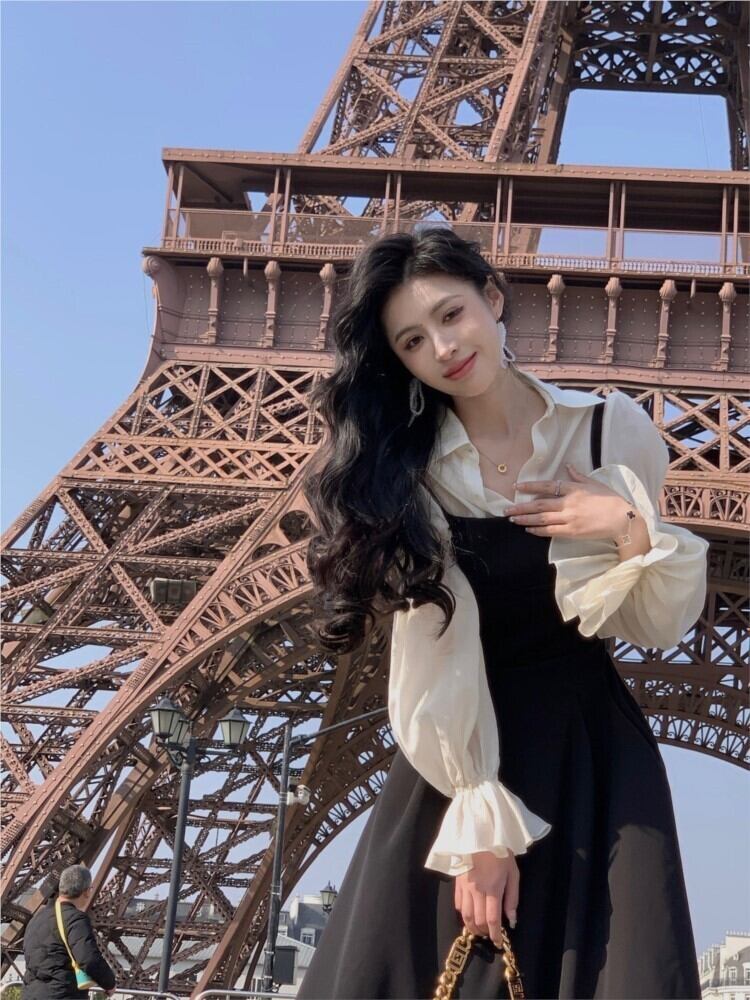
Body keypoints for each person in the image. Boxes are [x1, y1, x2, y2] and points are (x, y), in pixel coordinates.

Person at [297, 226, 708, 999]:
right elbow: (433, 656)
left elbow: (655, 624)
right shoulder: (413, 477)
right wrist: (480, 826)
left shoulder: (607, 432)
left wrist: (624, 525)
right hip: (466, 755)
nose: (443, 347)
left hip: (593, 752)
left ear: (492, 296)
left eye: (451, 314)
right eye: (413, 341)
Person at [22, 863, 117, 999]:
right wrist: (109, 983)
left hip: (31, 994)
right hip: (62, 994)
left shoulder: (37, 918)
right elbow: (89, 959)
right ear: (86, 891)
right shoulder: (75, 919)